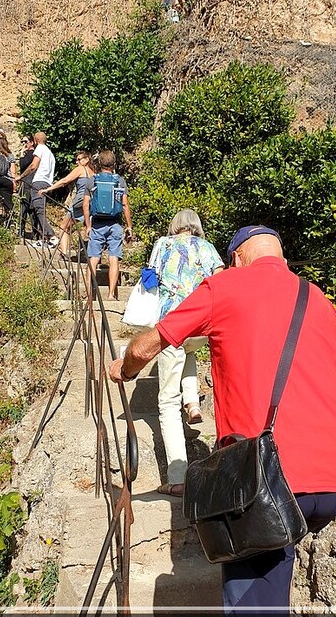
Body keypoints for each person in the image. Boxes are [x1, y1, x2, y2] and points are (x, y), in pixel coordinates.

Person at [110, 225, 336, 614]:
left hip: (271, 477)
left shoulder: (224, 287)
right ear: (280, 255)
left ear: (236, 258)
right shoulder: (317, 298)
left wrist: (124, 369)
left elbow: (151, 343)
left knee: (254, 594)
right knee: (275, 562)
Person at [150, 209, 223, 497]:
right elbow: (220, 281)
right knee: (189, 353)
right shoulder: (207, 248)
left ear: (175, 226)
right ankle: (192, 402)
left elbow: (152, 277)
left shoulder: (163, 244)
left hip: (171, 326)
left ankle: (178, 478)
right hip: (200, 327)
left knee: (167, 402)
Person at [82, 150, 132, 300]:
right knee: (113, 258)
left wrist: (88, 225)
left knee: (93, 258)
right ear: (114, 164)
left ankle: (90, 294)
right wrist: (129, 226)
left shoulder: (92, 180)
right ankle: (111, 295)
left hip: (97, 224)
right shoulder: (119, 180)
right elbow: (124, 205)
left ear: (99, 164)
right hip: (115, 224)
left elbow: (85, 205)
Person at [38, 150, 95, 259]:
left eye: (79, 159)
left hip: (80, 202)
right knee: (88, 227)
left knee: (64, 227)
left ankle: (64, 253)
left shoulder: (81, 169)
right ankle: (89, 253)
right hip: (90, 203)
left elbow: (65, 181)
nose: (77, 162)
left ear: (87, 159)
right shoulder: (93, 173)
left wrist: (48, 189)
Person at [15, 131, 57, 248]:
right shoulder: (50, 153)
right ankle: (44, 239)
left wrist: (21, 176)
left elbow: (34, 166)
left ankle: (51, 236)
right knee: (40, 210)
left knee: (38, 210)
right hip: (47, 183)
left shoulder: (40, 149)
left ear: (35, 140)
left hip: (38, 182)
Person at [0, 135, 16, 225]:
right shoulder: (10, 156)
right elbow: (13, 172)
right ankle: (11, 221)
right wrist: (14, 183)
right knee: (8, 202)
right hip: (7, 180)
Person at [18, 135, 37, 239]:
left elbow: (23, 165)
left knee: (25, 208)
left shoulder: (31, 154)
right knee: (31, 210)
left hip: (27, 184)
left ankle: (21, 231)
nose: (24, 144)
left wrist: (21, 154)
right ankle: (35, 234)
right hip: (31, 184)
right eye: (22, 142)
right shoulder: (35, 155)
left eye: (26, 141)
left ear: (32, 142)